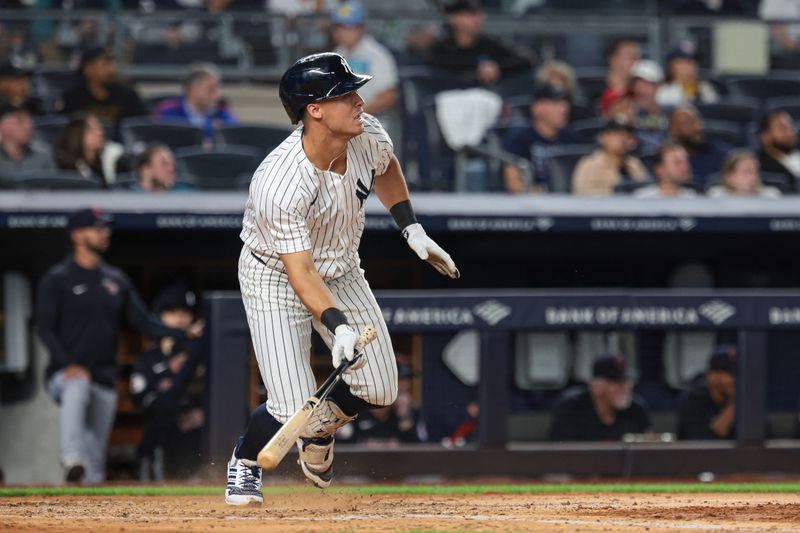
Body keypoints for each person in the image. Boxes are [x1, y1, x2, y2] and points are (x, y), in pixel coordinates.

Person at [225, 52, 459, 505]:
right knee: (289, 407)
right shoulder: (279, 181)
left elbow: (386, 168)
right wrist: (340, 326)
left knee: (381, 387)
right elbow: (301, 273)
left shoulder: (367, 134)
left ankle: (319, 432)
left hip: (342, 267)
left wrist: (411, 227)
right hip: (274, 275)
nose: (360, 102)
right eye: (345, 95)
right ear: (314, 110)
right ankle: (246, 460)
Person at [35, 208, 202, 483]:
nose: (105, 233)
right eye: (97, 228)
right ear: (77, 235)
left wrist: (184, 333)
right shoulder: (57, 279)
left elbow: (145, 323)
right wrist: (67, 364)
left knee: (96, 462)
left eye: (106, 228)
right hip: (65, 374)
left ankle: (87, 501)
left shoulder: (115, 279)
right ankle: (70, 457)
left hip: (104, 377)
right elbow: (44, 328)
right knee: (77, 387)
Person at [130, 283, 205, 481]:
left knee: (201, 418)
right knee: (165, 411)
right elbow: (141, 398)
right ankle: (151, 465)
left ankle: (202, 474)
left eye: (185, 312)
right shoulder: (150, 358)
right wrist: (168, 374)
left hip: (196, 427)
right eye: (172, 312)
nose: (179, 318)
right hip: (163, 427)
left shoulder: (201, 351)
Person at [424, 0, 530, 86]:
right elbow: (432, 66)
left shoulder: (489, 43)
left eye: (479, 14)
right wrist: (476, 69)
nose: (477, 20)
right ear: (454, 19)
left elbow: (525, 60)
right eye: (470, 15)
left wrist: (497, 68)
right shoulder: (441, 47)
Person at [549, 353, 651, 442]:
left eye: (627, 381)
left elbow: (648, 451)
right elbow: (561, 454)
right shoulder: (571, 408)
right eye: (617, 382)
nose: (625, 388)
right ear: (596, 386)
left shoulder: (637, 409)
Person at [501, 84, 576, 193]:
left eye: (565, 104)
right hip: (531, 204)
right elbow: (513, 183)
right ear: (537, 108)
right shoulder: (519, 139)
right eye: (556, 104)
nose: (564, 110)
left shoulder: (572, 138)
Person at [58, 47, 148, 137]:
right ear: (88, 69)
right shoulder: (72, 99)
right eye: (106, 64)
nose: (112, 69)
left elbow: (144, 128)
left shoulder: (128, 97)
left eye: (112, 63)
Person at [330, 1, 398, 118]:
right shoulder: (336, 53)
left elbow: (389, 95)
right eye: (341, 27)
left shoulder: (377, 54)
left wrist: (359, 113)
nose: (345, 32)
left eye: (351, 27)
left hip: (372, 124)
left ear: (362, 28)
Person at [154, 63, 237, 143]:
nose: (216, 95)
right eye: (211, 89)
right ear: (193, 89)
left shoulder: (220, 110)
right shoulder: (169, 110)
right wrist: (210, 128)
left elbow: (233, 132)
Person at [571, 118, 648, 196]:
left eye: (627, 134)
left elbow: (645, 192)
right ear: (603, 138)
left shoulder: (634, 164)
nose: (623, 138)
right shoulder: (589, 165)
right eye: (617, 134)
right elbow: (583, 196)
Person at [55, 112, 132, 186]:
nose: (100, 132)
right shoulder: (65, 168)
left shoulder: (115, 160)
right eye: (91, 130)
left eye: (99, 127)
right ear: (77, 135)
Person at [677, 345, 737, 440]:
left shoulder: (747, 399)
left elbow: (764, 437)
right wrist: (734, 404)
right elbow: (703, 447)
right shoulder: (694, 398)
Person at [667, 105, 729, 187]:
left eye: (697, 121)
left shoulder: (720, 155)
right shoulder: (663, 159)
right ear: (673, 130)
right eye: (688, 123)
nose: (698, 127)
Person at [0, 102, 55, 179]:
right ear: (3, 126)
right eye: (20, 121)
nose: (28, 126)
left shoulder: (43, 158)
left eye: (29, 120)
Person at [707, 149, 782, 198]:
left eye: (756, 171)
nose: (754, 176)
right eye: (747, 171)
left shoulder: (770, 196)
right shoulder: (717, 196)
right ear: (729, 177)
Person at [633, 142, 697, 198]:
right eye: (677, 162)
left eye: (686, 162)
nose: (685, 167)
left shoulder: (695, 200)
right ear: (660, 169)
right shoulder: (641, 199)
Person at [757, 111, 800, 191]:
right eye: (782, 128)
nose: (790, 133)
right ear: (765, 136)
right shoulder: (758, 166)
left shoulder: (797, 155)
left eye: (791, 127)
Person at [600, 38, 641, 106]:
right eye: (630, 56)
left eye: (637, 57)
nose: (636, 62)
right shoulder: (594, 93)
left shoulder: (641, 94)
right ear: (613, 60)